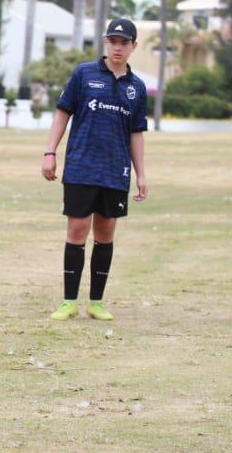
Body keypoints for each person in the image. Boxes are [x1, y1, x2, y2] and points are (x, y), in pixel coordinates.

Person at [41, 17, 150, 321]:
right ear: (105, 42)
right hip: (81, 167)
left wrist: (141, 173)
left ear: (133, 47)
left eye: (124, 43)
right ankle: (68, 301)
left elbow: (136, 133)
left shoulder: (136, 88)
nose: (118, 47)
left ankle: (97, 301)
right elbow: (63, 113)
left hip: (115, 171)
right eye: (113, 41)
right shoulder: (84, 74)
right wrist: (50, 152)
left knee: (105, 233)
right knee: (77, 231)